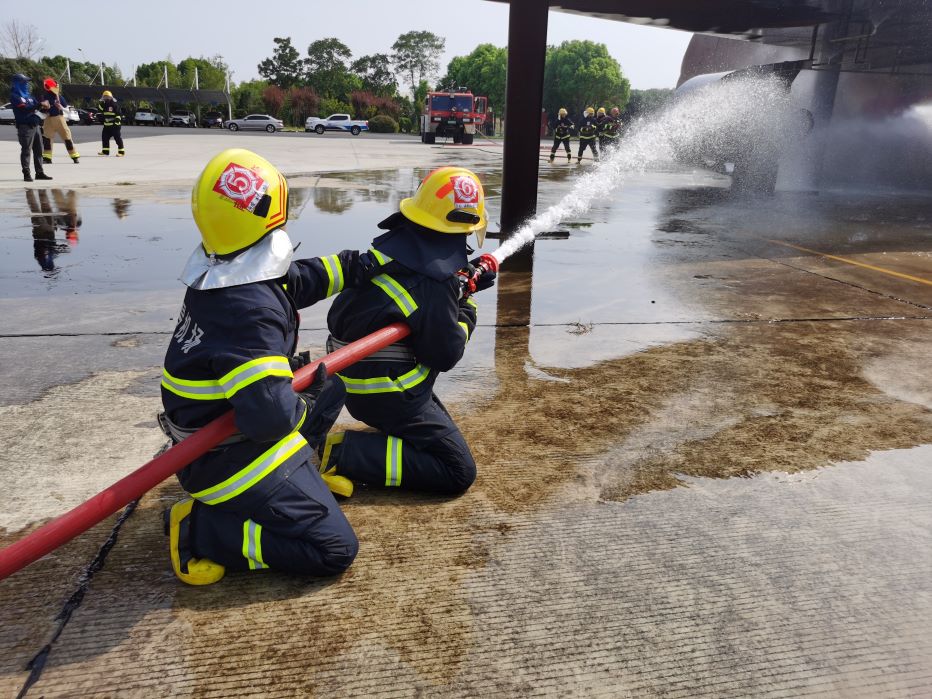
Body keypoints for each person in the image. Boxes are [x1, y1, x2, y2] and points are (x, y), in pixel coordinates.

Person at [161, 148, 377, 585]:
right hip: (225, 455)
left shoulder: (224, 271)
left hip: (222, 429)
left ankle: (301, 479)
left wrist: (357, 265)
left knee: (331, 383)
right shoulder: (248, 313)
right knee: (334, 549)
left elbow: (299, 280)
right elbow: (271, 418)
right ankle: (203, 531)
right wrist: (303, 398)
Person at [319, 166, 496, 496]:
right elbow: (444, 354)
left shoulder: (391, 255)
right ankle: (345, 454)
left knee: (439, 432)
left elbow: (413, 302)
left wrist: (457, 286)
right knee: (457, 471)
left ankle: (365, 446)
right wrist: (467, 305)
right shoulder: (435, 283)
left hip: (357, 383)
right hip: (389, 395)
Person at [10, 74, 52, 182]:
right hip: (25, 127)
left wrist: (45, 106)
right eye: (24, 82)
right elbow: (25, 109)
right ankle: (26, 173)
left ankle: (39, 172)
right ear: (18, 83)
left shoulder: (29, 96)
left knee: (39, 150)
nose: (27, 84)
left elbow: (37, 107)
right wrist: (39, 105)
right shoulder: (15, 96)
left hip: (35, 126)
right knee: (26, 151)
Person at [40, 78, 80, 164]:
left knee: (66, 138)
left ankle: (74, 156)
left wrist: (58, 99)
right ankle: (47, 158)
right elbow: (42, 108)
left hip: (57, 118)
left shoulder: (56, 96)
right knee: (48, 139)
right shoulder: (46, 96)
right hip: (50, 118)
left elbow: (64, 105)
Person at [97, 90, 124, 157]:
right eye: (105, 97)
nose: (106, 98)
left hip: (115, 125)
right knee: (104, 138)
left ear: (110, 97)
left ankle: (121, 152)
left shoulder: (114, 104)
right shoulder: (103, 104)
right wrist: (100, 103)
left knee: (117, 138)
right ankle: (105, 152)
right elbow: (99, 110)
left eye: (107, 97)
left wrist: (117, 122)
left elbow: (119, 114)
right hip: (106, 125)